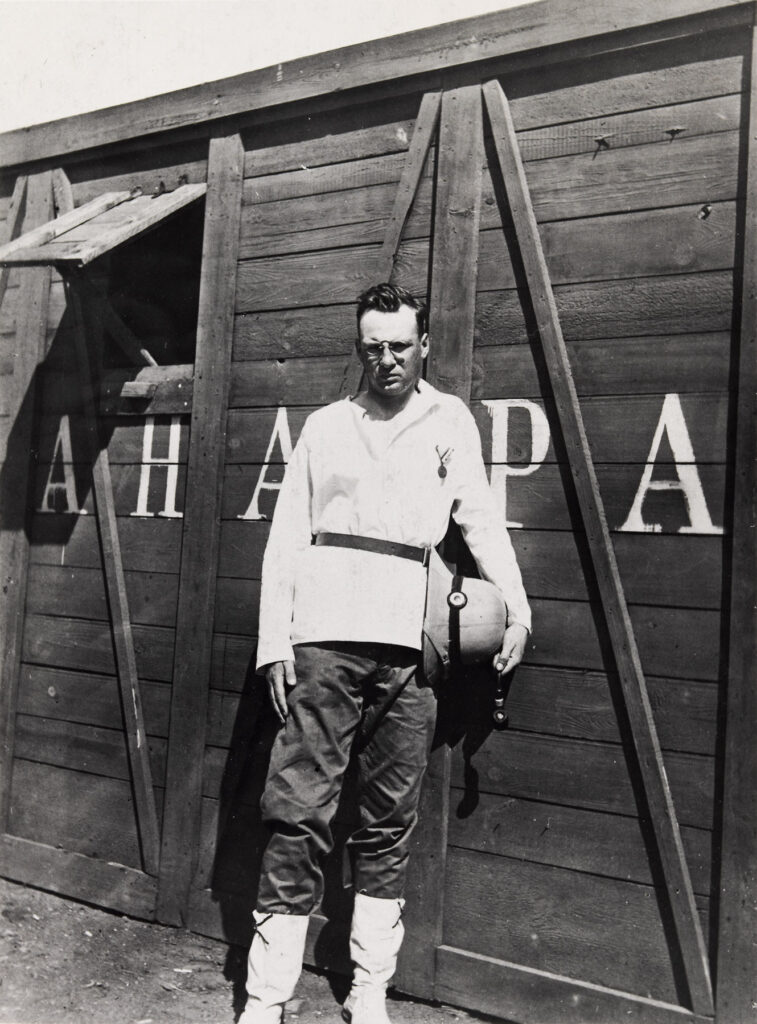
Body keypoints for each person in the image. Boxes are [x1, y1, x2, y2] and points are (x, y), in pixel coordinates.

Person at [241, 283, 531, 1024]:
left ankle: (369, 991)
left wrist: (517, 609)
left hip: (411, 644)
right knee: (297, 811)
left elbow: (480, 518)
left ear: (422, 344)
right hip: (323, 641)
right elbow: (285, 537)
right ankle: (265, 997)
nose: (387, 359)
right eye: (373, 347)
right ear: (358, 348)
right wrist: (276, 641)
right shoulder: (327, 426)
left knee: (387, 819)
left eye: (400, 345)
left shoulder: (447, 419)